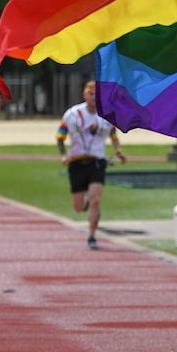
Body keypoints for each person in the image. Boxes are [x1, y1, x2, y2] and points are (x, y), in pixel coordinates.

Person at [56, 81, 125, 249]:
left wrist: (118, 151)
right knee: (78, 207)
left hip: (97, 162)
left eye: (97, 94)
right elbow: (60, 136)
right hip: (77, 162)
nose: (94, 97)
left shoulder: (106, 115)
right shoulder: (72, 114)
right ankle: (85, 200)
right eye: (90, 93)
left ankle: (92, 236)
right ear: (84, 95)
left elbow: (113, 135)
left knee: (95, 201)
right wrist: (64, 155)